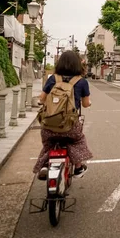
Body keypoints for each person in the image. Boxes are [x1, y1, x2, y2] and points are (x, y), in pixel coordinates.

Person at [34, 50, 92, 180]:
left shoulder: (53, 79)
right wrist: (88, 103)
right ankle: (77, 168)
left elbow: (42, 99)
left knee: (48, 143)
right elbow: (86, 103)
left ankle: (44, 166)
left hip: (49, 125)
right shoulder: (82, 82)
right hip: (70, 126)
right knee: (77, 140)